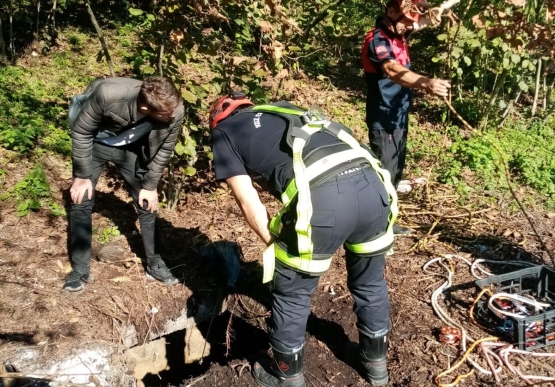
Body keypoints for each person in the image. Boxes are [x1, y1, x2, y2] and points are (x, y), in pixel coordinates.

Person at [209, 92, 399, 387]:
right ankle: (374, 365)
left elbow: (248, 201)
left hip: (325, 199)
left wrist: (274, 244)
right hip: (374, 186)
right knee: (370, 282)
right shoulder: (282, 109)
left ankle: (287, 375)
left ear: (218, 119)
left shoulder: (223, 133)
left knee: (292, 294)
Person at [64, 76, 184, 292]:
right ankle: (79, 269)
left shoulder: (174, 109)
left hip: (130, 149)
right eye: (166, 113)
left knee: (147, 202)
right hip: (94, 144)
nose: (173, 115)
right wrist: (82, 176)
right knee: (81, 199)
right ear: (146, 107)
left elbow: (164, 150)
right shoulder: (108, 95)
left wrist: (150, 186)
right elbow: (81, 131)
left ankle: (155, 263)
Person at [362, 0, 451, 234]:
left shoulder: (399, 30)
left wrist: (447, 4)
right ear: (390, 13)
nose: (410, 27)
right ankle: (375, 227)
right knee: (385, 173)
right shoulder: (377, 39)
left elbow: (428, 18)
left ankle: (386, 221)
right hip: (383, 117)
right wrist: (426, 82)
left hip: (399, 114)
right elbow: (391, 70)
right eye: (407, 22)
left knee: (396, 172)